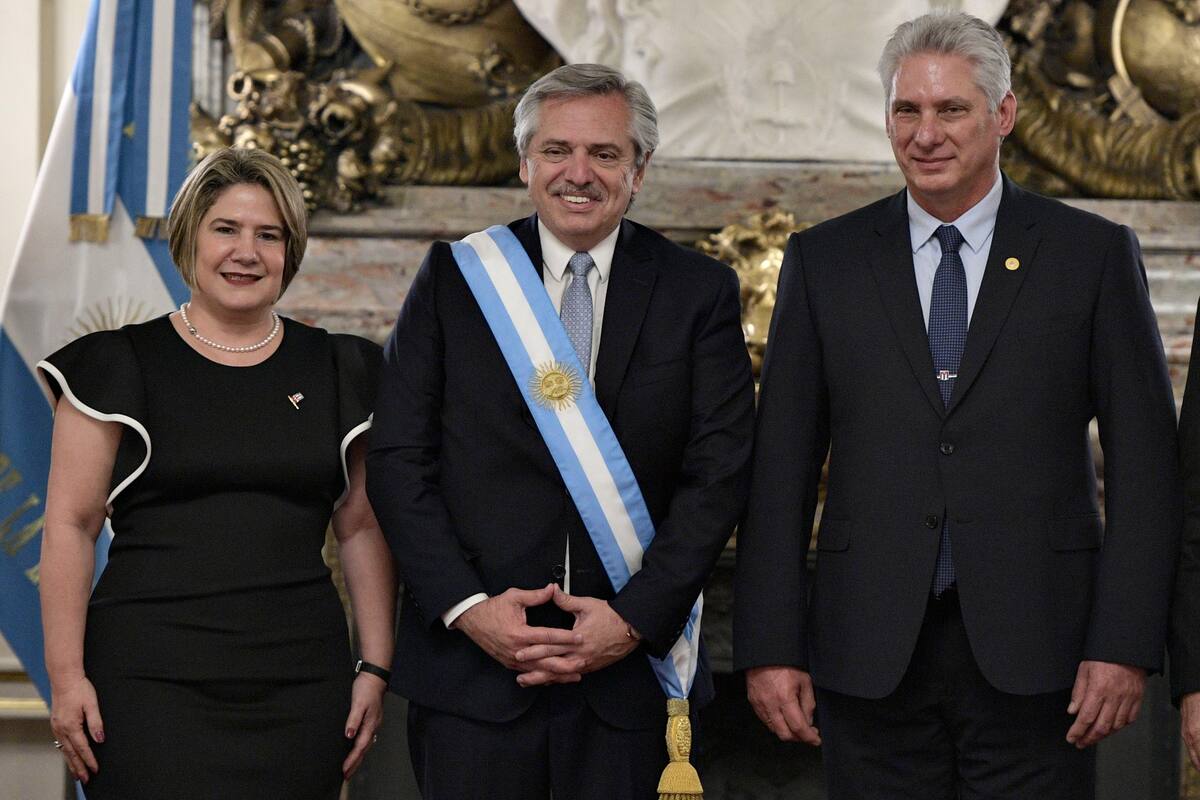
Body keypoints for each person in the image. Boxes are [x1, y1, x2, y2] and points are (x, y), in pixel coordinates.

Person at [733, 11, 1180, 799]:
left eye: (951, 109)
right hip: (866, 658)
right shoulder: (825, 260)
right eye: (907, 110)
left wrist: (1124, 645)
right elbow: (781, 473)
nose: (926, 133)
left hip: (1044, 663)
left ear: (1003, 115)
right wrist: (769, 646)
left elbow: (1148, 471)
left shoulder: (1092, 256)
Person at [367, 63, 755, 799]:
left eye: (605, 154)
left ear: (639, 170)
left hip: (630, 683)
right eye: (557, 151)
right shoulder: (454, 278)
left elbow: (720, 475)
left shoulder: (696, 292)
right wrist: (468, 609)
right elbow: (397, 460)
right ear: (524, 162)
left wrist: (633, 622)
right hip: (473, 676)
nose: (579, 173)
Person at [37, 147, 397, 798]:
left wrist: (374, 665)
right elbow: (70, 525)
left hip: (302, 686)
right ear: (189, 238)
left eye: (269, 235)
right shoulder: (118, 365)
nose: (247, 252)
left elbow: (361, 526)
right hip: (146, 684)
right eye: (226, 229)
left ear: (291, 249)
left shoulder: (341, 369)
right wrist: (66, 679)